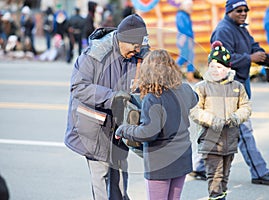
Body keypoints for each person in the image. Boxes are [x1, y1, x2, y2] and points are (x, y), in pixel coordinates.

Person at [191, 0, 269, 185]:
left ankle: (201, 167)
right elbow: (222, 61)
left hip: (238, 87)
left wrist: (264, 57)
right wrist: (250, 58)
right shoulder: (223, 30)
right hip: (226, 89)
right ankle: (259, 171)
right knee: (244, 130)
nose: (243, 13)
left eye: (245, 10)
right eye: (239, 10)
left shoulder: (240, 28)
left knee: (220, 130)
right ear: (229, 11)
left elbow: (253, 46)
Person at [64, 14, 149, 200]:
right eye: (134, 46)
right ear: (122, 40)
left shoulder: (140, 56)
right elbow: (78, 87)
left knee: (119, 178)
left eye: (140, 46)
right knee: (101, 178)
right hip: (95, 129)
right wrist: (112, 98)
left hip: (121, 129)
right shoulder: (95, 55)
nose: (137, 50)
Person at [115, 49, 199, 200]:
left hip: (161, 161)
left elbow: (149, 132)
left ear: (148, 72)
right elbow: (195, 98)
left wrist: (124, 129)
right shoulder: (185, 90)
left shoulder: (152, 98)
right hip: (183, 157)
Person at [190, 40, 251, 200]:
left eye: (220, 67)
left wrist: (236, 117)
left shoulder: (237, 87)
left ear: (228, 68)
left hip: (230, 140)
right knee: (215, 178)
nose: (216, 70)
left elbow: (246, 107)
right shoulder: (202, 87)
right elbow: (195, 110)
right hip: (210, 141)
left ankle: (220, 196)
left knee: (224, 177)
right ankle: (216, 197)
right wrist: (212, 120)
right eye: (213, 66)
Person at [175, 0, 197, 83]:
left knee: (190, 56)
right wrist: (186, 37)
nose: (190, 8)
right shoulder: (181, 14)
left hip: (188, 37)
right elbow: (182, 27)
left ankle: (190, 76)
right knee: (184, 56)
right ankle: (170, 71)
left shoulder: (186, 15)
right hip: (184, 37)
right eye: (189, 6)